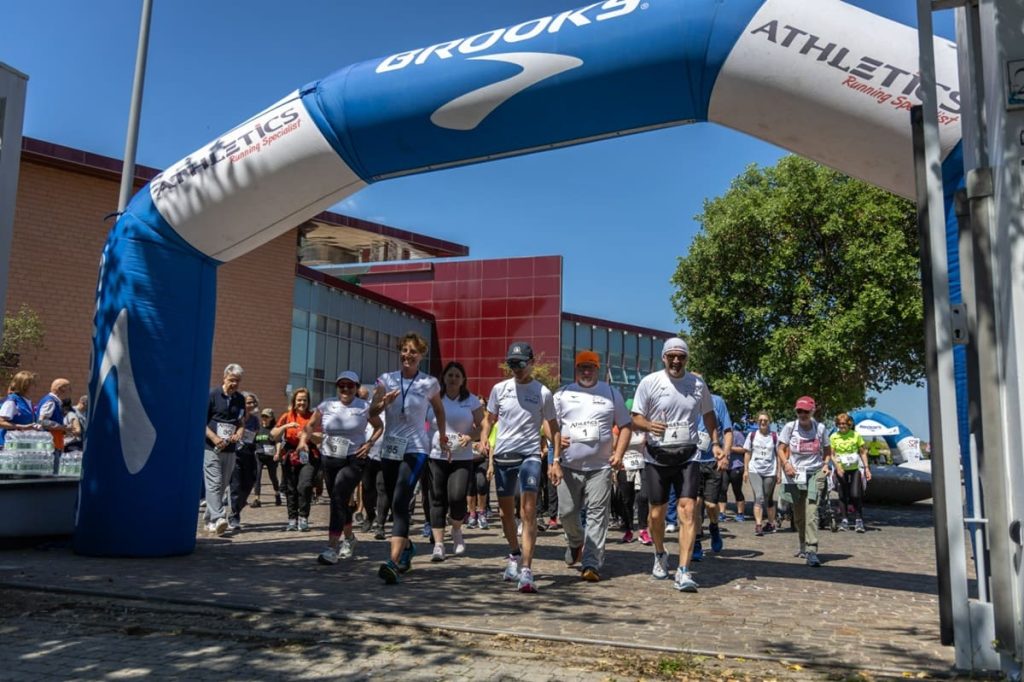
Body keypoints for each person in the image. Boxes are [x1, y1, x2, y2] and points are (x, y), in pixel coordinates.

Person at [630, 338, 720, 593]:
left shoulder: (697, 384)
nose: (676, 361)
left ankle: (683, 569)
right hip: (656, 457)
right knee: (656, 515)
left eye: (681, 356)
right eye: (671, 356)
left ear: (687, 359)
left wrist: (715, 442)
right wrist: (650, 425)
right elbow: (635, 417)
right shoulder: (650, 382)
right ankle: (660, 553)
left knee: (688, 511)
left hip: (688, 456)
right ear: (664, 358)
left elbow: (708, 414)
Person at [479, 341, 559, 594]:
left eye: (521, 363)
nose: (517, 368)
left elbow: (552, 426)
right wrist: (484, 437)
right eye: (512, 364)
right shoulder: (499, 389)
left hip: (530, 455)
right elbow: (489, 419)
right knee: (506, 514)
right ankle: (514, 553)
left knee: (528, 510)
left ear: (531, 362)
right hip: (504, 456)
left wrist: (556, 459)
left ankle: (526, 569)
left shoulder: (543, 392)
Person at [371, 332, 448, 585]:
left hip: (416, 449)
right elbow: (371, 412)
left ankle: (392, 562)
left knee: (401, 499)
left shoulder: (429, 383)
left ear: (421, 355)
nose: (407, 355)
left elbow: (439, 410)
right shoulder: (386, 379)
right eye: (404, 350)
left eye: (413, 351)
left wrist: (442, 436)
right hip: (390, 448)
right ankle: (407, 548)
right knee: (395, 503)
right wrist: (383, 402)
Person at [551, 350, 630, 582]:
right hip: (568, 466)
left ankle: (591, 563)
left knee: (597, 515)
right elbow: (548, 423)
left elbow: (625, 425)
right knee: (566, 513)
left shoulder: (611, 393)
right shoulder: (562, 394)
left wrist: (619, 453)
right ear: (576, 369)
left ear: (598, 369)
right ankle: (576, 541)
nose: (586, 372)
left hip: (600, 467)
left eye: (590, 367)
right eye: (582, 367)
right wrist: (555, 440)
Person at [301, 370, 383, 565]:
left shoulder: (364, 407)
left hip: (354, 459)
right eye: (342, 385)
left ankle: (331, 547)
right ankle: (349, 538)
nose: (346, 389)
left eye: (350, 385)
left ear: (356, 387)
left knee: (338, 496)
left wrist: (369, 444)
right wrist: (304, 440)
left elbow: (379, 426)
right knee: (339, 500)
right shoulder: (327, 405)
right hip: (329, 458)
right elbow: (310, 425)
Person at [427, 361, 483, 560]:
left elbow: (482, 426)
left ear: (463, 380)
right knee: (437, 498)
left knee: (457, 497)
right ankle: (439, 545)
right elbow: (423, 423)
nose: (453, 379)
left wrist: (470, 436)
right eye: (450, 375)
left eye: (457, 376)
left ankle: (456, 528)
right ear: (443, 378)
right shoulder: (434, 399)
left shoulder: (471, 400)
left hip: (462, 457)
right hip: (436, 455)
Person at [778, 396, 833, 566]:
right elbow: (780, 448)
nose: (802, 414)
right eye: (799, 411)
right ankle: (802, 544)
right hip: (795, 474)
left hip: (815, 473)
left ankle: (811, 550)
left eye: (806, 411)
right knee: (799, 516)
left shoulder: (820, 428)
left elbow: (828, 450)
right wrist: (786, 464)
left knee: (811, 512)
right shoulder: (790, 427)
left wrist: (826, 465)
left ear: (812, 411)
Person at [690, 376, 732, 561]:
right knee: (696, 504)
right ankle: (697, 542)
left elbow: (728, 431)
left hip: (713, 460)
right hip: (693, 460)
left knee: (711, 505)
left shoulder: (717, 402)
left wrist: (725, 455)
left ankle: (714, 527)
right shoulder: (686, 402)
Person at [204, 364, 246, 536]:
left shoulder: (240, 399)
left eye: (237, 381)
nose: (234, 384)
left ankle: (209, 520)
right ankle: (220, 517)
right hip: (211, 448)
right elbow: (201, 421)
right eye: (231, 380)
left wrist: (239, 433)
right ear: (224, 378)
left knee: (222, 486)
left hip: (230, 450)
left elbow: (241, 422)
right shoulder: (212, 395)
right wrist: (214, 438)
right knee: (214, 483)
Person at [273, 387, 319, 532]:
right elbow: (273, 435)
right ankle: (292, 519)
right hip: (291, 454)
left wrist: (308, 435)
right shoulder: (287, 416)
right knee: (291, 488)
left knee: (305, 485)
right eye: (299, 400)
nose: (302, 403)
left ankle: (303, 517)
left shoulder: (313, 416)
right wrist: (286, 426)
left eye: (304, 400)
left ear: (308, 402)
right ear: (294, 401)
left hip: (308, 454)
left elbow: (321, 438)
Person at [829, 413, 871, 533]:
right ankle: (844, 520)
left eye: (844, 424)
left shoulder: (856, 435)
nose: (842, 426)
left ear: (849, 424)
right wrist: (837, 467)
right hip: (841, 469)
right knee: (842, 495)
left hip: (854, 469)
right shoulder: (834, 437)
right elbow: (831, 454)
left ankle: (859, 520)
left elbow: (862, 452)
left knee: (855, 494)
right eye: (839, 424)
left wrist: (867, 468)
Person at [228, 392, 262, 531]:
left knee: (249, 482)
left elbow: (255, 436)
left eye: (253, 402)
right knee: (236, 485)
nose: (251, 405)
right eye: (248, 402)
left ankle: (236, 508)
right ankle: (234, 517)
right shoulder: (235, 417)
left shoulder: (255, 420)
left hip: (249, 453)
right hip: (236, 453)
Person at [743, 411, 780, 536]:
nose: (763, 422)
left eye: (765, 420)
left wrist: (779, 472)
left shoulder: (774, 436)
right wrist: (745, 470)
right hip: (755, 470)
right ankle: (758, 525)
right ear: (757, 421)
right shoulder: (752, 435)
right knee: (759, 496)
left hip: (770, 471)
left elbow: (778, 455)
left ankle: (771, 523)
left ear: (769, 421)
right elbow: (747, 453)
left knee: (768, 497)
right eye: (760, 420)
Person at [35, 378, 71, 473]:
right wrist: (61, 427)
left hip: (54, 443)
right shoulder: (50, 401)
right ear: (60, 388)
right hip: (50, 444)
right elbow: (42, 421)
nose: (69, 391)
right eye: (68, 388)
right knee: (52, 473)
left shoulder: (54, 401)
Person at [0, 371, 39, 448]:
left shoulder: (27, 401)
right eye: (32, 384)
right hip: (9, 446)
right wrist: (22, 426)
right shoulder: (12, 401)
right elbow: (1, 422)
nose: (35, 387)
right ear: (24, 386)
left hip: (22, 445)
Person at [252, 407, 281, 507]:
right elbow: (253, 442)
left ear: (271, 418)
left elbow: (278, 442)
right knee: (257, 477)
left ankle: (277, 494)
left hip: (271, 457)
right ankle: (257, 499)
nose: (264, 418)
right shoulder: (258, 429)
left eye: (266, 416)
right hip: (259, 456)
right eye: (263, 416)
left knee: (273, 477)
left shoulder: (274, 430)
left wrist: (277, 453)